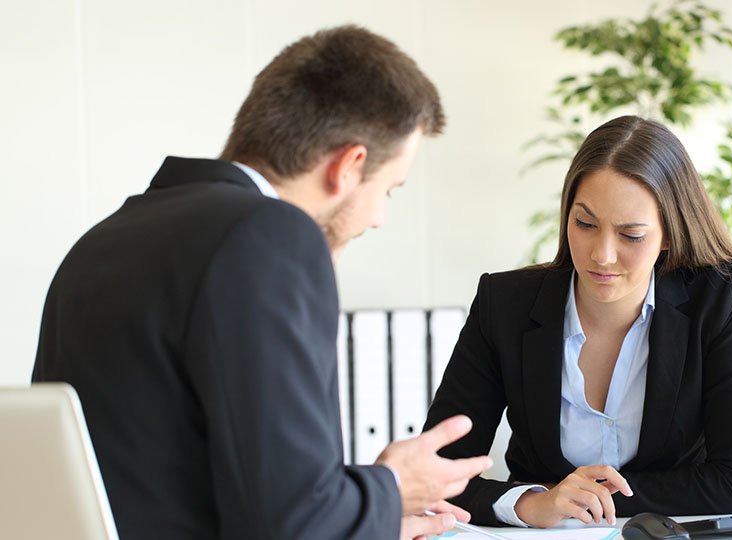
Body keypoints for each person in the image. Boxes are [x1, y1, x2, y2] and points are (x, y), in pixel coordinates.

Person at [32, 25, 491, 540]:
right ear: (350, 165)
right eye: (390, 190)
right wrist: (392, 486)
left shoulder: (105, 238)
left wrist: (372, 517)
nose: (380, 217)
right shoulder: (269, 234)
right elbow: (290, 524)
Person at [423, 115, 732, 528]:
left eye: (631, 235)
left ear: (669, 234)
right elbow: (439, 473)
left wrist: (586, 504)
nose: (602, 254)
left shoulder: (719, 299)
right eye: (585, 224)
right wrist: (533, 503)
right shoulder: (504, 305)